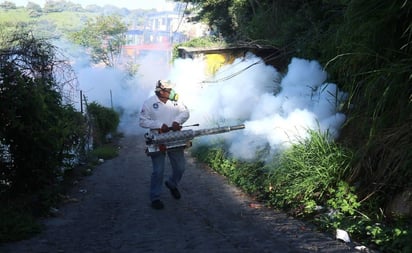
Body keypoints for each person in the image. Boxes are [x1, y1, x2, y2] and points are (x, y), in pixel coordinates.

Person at [139, 80, 190, 210]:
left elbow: (185, 113)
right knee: (158, 171)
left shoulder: (176, 101)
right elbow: (143, 121)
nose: (171, 92)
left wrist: (176, 121)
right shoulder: (149, 103)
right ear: (161, 91)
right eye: (168, 90)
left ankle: (172, 184)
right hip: (157, 139)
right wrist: (159, 125)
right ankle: (155, 197)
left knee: (180, 167)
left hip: (174, 138)